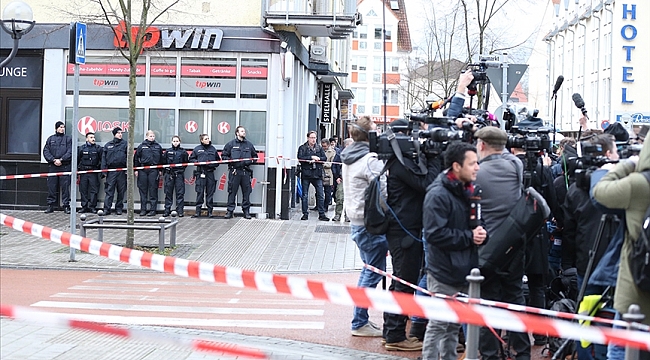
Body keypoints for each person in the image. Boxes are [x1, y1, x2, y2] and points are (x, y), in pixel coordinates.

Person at [421, 142, 486, 360]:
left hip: (464, 268)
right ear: (457, 167)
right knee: (439, 324)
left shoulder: (469, 191)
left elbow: (475, 223)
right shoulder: (438, 194)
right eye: (472, 163)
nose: (477, 167)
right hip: (444, 271)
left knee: (452, 325)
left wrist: (482, 233)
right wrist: (470, 237)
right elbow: (434, 234)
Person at [382, 119, 441, 352]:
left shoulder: (399, 161)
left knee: (401, 281)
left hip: (405, 229)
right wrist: (435, 158)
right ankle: (396, 336)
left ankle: (392, 331)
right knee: (404, 283)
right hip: (403, 231)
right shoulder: (400, 163)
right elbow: (428, 183)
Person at [473, 126, 531, 360]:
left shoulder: (477, 172)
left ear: (483, 145)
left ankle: (490, 354)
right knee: (515, 297)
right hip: (514, 245)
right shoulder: (515, 165)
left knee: (487, 301)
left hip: (487, 248)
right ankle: (523, 352)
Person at [593, 140, 650, 326]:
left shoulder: (640, 183)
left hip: (636, 286)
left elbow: (599, 192)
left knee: (619, 349)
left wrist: (625, 166)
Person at [341, 116, 387, 337]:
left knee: (369, 270)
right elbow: (385, 191)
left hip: (357, 221)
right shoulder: (370, 159)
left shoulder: (348, 156)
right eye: (376, 130)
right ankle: (359, 322)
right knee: (372, 273)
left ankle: (360, 320)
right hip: (370, 224)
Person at [221, 126, 258, 219]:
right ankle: (230, 211)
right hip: (235, 171)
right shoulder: (230, 144)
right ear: (237, 133)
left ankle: (246, 211)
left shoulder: (249, 145)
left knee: (246, 192)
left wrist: (250, 161)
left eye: (244, 131)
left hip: (245, 172)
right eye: (242, 131)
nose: (244, 132)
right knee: (232, 192)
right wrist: (231, 161)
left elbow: (255, 157)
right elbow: (224, 156)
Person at [297, 131, 329, 221]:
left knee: (320, 194)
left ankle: (321, 214)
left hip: (317, 174)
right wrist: (311, 157)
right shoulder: (302, 148)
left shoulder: (319, 148)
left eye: (315, 138)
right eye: (312, 137)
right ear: (308, 138)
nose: (313, 139)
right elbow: (300, 158)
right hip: (306, 174)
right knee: (305, 195)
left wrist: (318, 158)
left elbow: (324, 158)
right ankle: (305, 214)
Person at [43, 121, 72, 214]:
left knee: (65, 188)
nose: (62, 129)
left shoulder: (68, 139)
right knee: (51, 186)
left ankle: (66, 206)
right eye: (60, 127)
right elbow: (46, 151)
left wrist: (62, 159)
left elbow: (70, 151)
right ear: (56, 129)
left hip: (65, 166)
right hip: (53, 167)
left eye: (63, 127)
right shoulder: (50, 139)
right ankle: (50, 206)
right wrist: (53, 160)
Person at [189, 134, 221, 218]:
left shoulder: (212, 149)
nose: (208, 140)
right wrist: (198, 162)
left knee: (210, 193)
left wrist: (213, 164)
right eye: (206, 139)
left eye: (208, 138)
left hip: (210, 173)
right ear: (202, 140)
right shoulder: (197, 149)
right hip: (201, 172)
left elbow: (218, 160)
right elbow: (191, 159)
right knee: (199, 192)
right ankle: (198, 211)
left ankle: (210, 211)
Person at [135, 130, 164, 216]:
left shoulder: (158, 147)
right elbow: (136, 158)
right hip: (143, 169)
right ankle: (143, 209)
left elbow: (161, 160)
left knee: (153, 189)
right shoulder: (141, 146)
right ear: (147, 136)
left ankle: (153, 210)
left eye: (153, 136)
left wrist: (160, 170)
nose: (152, 138)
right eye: (150, 136)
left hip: (154, 169)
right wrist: (136, 169)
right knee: (143, 190)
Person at [102, 127, 128, 215]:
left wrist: (128, 169)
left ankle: (119, 208)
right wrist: (104, 171)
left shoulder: (125, 144)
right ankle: (107, 208)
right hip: (111, 170)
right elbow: (104, 159)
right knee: (109, 190)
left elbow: (129, 157)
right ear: (114, 134)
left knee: (121, 191)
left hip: (122, 170)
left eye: (121, 133)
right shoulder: (108, 145)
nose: (120, 134)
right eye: (118, 133)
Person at [163, 135, 189, 217]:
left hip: (179, 174)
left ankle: (180, 211)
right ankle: (167, 210)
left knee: (180, 193)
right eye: (174, 141)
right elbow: (164, 162)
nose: (175, 143)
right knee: (168, 193)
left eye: (177, 141)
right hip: (169, 174)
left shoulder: (183, 152)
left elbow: (186, 163)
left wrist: (181, 170)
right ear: (171, 142)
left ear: (179, 142)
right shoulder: (167, 151)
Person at [77, 132, 102, 213]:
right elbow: (78, 160)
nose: (93, 139)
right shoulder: (81, 148)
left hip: (93, 171)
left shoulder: (98, 148)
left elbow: (102, 160)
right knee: (83, 189)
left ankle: (92, 206)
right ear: (87, 139)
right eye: (91, 137)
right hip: (84, 171)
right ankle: (84, 206)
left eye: (94, 137)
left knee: (94, 190)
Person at [322, 138, 335, 208]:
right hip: (319, 173)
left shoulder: (332, 152)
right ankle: (318, 205)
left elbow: (332, 163)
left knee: (327, 191)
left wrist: (323, 164)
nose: (324, 148)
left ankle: (325, 206)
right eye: (322, 146)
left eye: (325, 146)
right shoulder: (320, 150)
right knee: (319, 191)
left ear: (328, 145)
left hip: (327, 174)